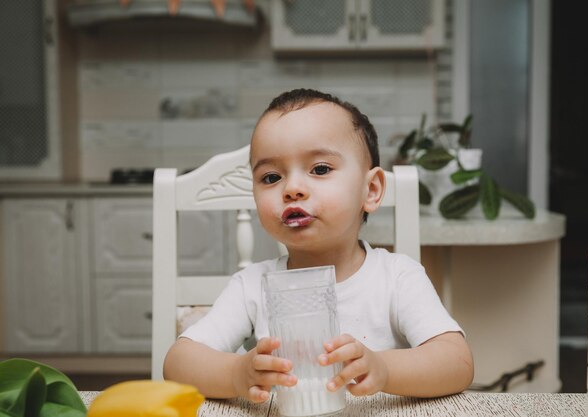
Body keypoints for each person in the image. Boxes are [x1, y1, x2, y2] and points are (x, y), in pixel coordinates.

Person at [164, 88, 474, 402]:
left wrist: (384, 368)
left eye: (320, 169)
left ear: (371, 190)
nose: (292, 189)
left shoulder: (396, 277)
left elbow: (457, 362)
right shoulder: (252, 286)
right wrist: (236, 374)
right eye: (271, 177)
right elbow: (178, 364)